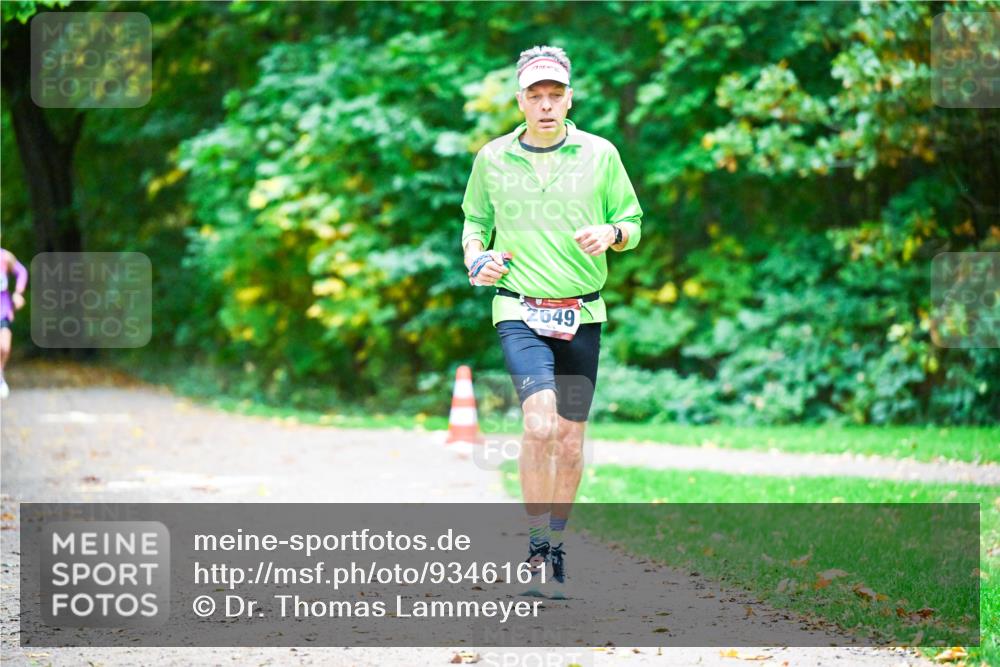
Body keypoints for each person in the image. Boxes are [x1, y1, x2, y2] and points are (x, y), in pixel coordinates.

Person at [461, 45, 643, 599]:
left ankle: (557, 545)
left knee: (569, 441)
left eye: (554, 95)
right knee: (539, 425)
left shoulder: (601, 154)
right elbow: (474, 222)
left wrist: (611, 234)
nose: (545, 105)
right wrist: (477, 259)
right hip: (517, 305)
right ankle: (537, 548)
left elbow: (631, 220)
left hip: (582, 309)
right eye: (534, 96)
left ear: (569, 98)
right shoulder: (492, 158)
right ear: (520, 100)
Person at [0, 248, 28, 399]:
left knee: (4, 346)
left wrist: (18, 293)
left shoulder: (5, 257)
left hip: (3, 310)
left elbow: (22, 272)